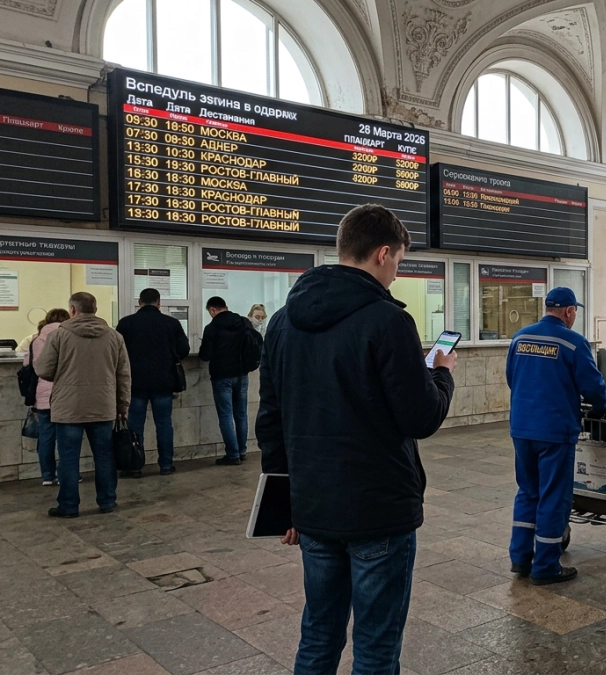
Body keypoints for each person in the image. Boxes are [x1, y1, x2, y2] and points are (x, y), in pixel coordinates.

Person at [257, 204, 456, 675]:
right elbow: (420, 416)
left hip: (314, 510)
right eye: (400, 263)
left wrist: (287, 504)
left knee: (318, 634)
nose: (396, 273)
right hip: (378, 510)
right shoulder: (387, 321)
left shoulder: (283, 321)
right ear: (383, 254)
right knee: (375, 646)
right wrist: (442, 376)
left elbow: (270, 419)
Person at [507, 287, 606, 586]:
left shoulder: (520, 337)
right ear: (568, 311)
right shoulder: (573, 342)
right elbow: (593, 386)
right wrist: (603, 407)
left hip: (522, 428)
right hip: (555, 430)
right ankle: (546, 567)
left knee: (528, 491)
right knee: (553, 496)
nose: (574, 315)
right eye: (574, 310)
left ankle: (520, 558)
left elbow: (512, 378)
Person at [34, 292, 130, 518]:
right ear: (95, 310)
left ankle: (68, 505)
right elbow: (123, 375)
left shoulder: (58, 336)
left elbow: (43, 370)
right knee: (104, 456)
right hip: (103, 405)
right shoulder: (115, 337)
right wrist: (122, 404)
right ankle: (107, 501)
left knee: (68, 457)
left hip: (68, 407)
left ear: (73, 310)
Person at [116, 288, 190, 477]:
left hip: (135, 383)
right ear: (159, 303)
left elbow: (117, 353)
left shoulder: (126, 323)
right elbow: (184, 349)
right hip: (164, 382)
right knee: (164, 424)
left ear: (139, 303)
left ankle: (135, 466)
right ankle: (166, 465)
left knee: (135, 425)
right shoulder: (171, 323)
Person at [199, 296, 260, 466]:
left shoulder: (211, 328)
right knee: (241, 414)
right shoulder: (243, 322)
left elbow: (205, 356)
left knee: (226, 415)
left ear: (212, 309)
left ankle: (232, 455)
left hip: (222, 376)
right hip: (242, 374)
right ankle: (242, 451)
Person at [26, 309, 69, 486]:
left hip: (42, 395)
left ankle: (47, 476)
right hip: (64, 394)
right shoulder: (67, 336)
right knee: (66, 438)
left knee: (46, 437)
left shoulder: (36, 340)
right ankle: (65, 473)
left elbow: (28, 365)